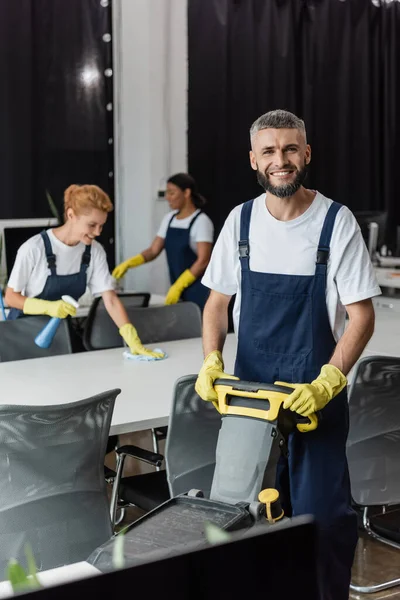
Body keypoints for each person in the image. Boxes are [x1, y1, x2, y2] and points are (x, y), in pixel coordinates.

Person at [195, 110, 381, 600]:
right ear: (254, 159)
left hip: (313, 400)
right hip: (250, 401)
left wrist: (328, 380)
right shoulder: (241, 220)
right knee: (244, 518)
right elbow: (217, 302)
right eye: (270, 151)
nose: (281, 160)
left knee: (321, 520)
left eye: (291, 149)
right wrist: (211, 360)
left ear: (307, 154)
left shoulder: (336, 224)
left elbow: (361, 316)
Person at [5, 184, 163, 359]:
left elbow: (110, 299)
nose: (97, 232)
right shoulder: (34, 248)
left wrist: (133, 339)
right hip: (20, 335)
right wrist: (49, 307)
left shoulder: (94, 251)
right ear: (71, 215)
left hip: (59, 335)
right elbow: (11, 297)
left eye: (101, 226)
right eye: (92, 225)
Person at [112, 173, 214, 311]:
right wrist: (129, 263)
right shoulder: (169, 218)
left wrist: (180, 284)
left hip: (199, 289)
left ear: (187, 193)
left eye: (172, 193)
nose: (168, 197)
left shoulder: (201, 221)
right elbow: (154, 250)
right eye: (167, 193)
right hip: (177, 287)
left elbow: (203, 260)